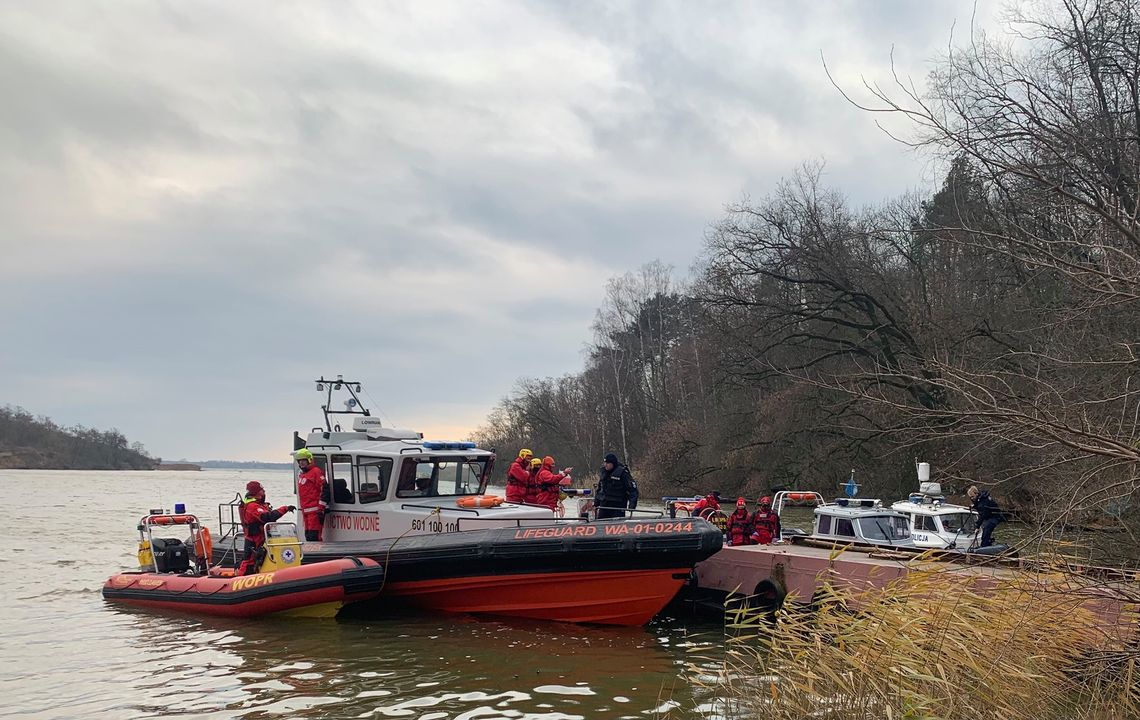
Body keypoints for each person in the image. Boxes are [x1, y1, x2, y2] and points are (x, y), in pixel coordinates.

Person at [237, 480, 294, 576]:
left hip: (262, 538)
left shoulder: (258, 505)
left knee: (258, 560)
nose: (264, 492)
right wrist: (285, 509)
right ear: (257, 492)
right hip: (254, 539)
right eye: (262, 490)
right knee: (248, 561)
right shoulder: (252, 506)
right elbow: (267, 517)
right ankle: (238, 581)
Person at [295, 448, 328, 541]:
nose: (301, 463)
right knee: (308, 536)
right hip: (306, 512)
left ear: (309, 460)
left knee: (314, 537)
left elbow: (325, 489)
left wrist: (321, 508)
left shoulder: (315, 472)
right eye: (299, 461)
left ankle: (318, 554)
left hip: (315, 512)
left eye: (303, 460)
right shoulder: (302, 474)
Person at [595, 452, 638, 519]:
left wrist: (632, 505)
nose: (605, 465)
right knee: (600, 521)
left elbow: (633, 490)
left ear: (613, 463)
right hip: (604, 505)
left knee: (617, 522)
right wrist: (596, 503)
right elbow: (600, 489)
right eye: (605, 463)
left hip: (618, 506)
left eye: (607, 463)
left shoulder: (623, 473)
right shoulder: (604, 473)